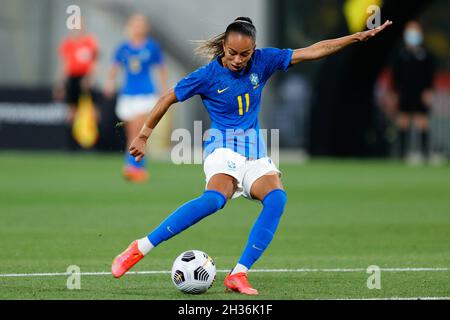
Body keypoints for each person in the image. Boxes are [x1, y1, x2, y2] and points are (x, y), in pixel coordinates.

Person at [111, 17, 392, 295]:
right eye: (232, 53)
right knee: (214, 200)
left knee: (277, 199)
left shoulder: (264, 60)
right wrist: (144, 135)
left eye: (245, 54)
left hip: (254, 152)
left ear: (254, 50)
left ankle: (238, 274)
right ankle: (141, 247)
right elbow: (167, 98)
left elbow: (313, 50)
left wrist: (355, 38)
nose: (238, 60)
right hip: (221, 148)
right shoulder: (207, 75)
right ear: (224, 46)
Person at [104, 14, 168, 182]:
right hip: (127, 94)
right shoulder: (123, 48)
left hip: (145, 94)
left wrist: (164, 88)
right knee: (132, 132)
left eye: (140, 25)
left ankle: (134, 167)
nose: (137, 28)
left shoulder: (151, 47)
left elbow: (160, 68)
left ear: (145, 28)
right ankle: (132, 167)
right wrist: (109, 83)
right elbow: (114, 67)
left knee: (139, 131)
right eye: (135, 25)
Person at [392, 21, 436, 163]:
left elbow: (430, 76)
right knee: (403, 122)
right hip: (405, 93)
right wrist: (394, 94)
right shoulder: (401, 55)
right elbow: (395, 76)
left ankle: (425, 154)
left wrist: (429, 91)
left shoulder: (425, 55)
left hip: (420, 93)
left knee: (421, 122)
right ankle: (402, 155)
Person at [54, 19, 98, 149]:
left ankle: (92, 143)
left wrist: (89, 78)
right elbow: (64, 65)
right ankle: (71, 143)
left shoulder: (90, 42)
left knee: (90, 110)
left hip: (85, 79)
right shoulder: (68, 44)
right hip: (72, 79)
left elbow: (94, 63)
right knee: (72, 111)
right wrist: (60, 84)